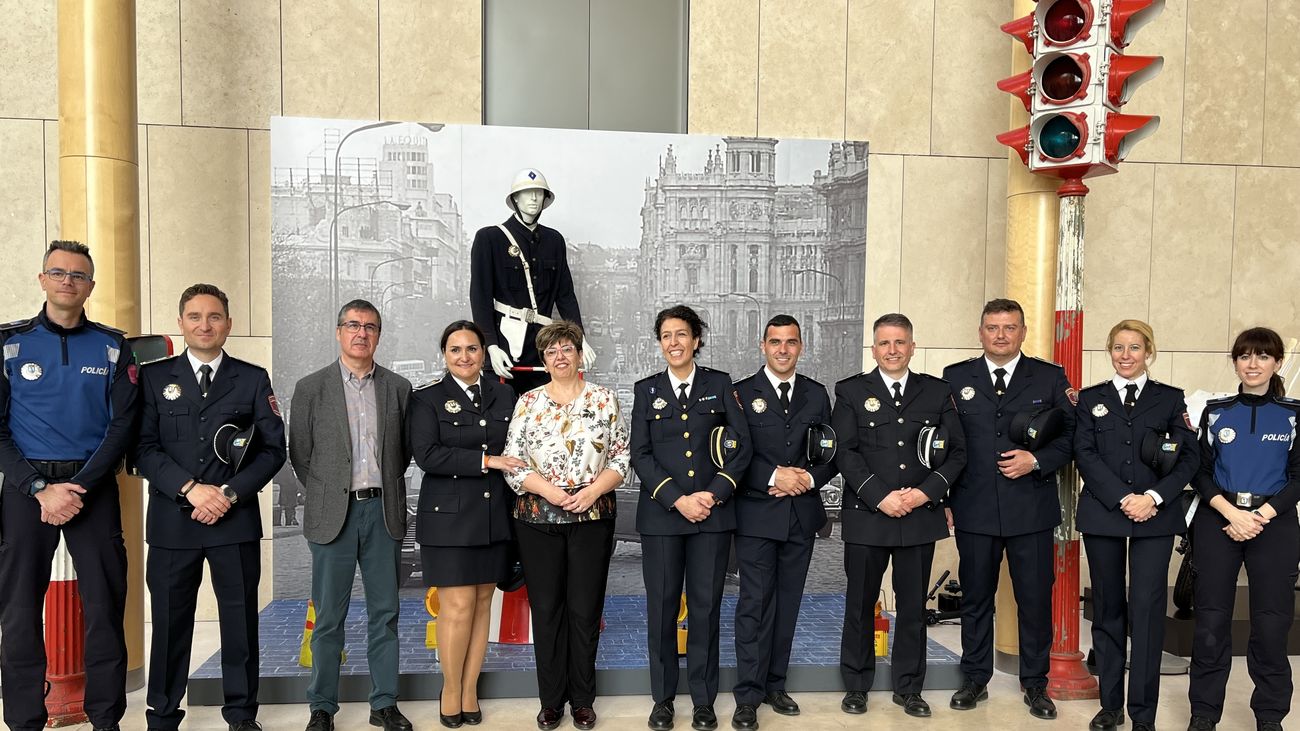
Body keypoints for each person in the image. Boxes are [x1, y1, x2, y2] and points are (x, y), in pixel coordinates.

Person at [134, 283, 287, 731]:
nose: (205, 325)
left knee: (239, 623)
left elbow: (273, 450)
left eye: (215, 316)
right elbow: (142, 448)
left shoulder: (253, 378)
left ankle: (241, 715)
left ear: (229, 324)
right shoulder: (154, 378)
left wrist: (228, 494)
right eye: (196, 316)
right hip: (171, 524)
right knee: (168, 624)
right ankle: (162, 714)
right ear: (180, 322)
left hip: (233, 522)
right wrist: (190, 488)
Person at [0, 240, 138, 731]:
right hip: (25, 489)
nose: (67, 281)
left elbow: (122, 426)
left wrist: (77, 486)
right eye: (57, 272)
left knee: (104, 607)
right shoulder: (8, 343)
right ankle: (23, 720)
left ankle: (105, 718)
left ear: (90, 287)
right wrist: (39, 488)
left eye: (78, 275)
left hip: (92, 485)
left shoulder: (111, 345)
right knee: (18, 612)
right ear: (41, 279)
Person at [942, 298, 1075, 720]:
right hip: (974, 506)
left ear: (1023, 331)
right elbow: (945, 443)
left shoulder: (1050, 377)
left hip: (1030, 508)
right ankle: (974, 678)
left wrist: (1036, 461)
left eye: (1010, 327)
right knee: (976, 598)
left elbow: (1071, 437)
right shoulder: (955, 377)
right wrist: (944, 499)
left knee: (1034, 599)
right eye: (993, 327)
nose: (1001, 335)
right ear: (980, 332)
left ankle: (1036, 685)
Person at [288, 299, 415, 731]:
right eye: (353, 325)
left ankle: (384, 704)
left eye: (370, 327)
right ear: (339, 331)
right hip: (333, 516)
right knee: (328, 618)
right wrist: (332, 493)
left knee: (386, 613)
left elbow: (403, 453)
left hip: (383, 513)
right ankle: (322, 706)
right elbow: (300, 456)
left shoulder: (399, 388)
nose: (361, 333)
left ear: (379, 335)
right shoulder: (311, 388)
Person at [834, 313, 967, 719]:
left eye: (900, 342)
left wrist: (923, 493)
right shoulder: (852, 391)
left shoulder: (937, 392)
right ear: (874, 349)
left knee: (912, 606)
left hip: (917, 515)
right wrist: (880, 497)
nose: (892, 350)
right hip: (868, 515)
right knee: (860, 603)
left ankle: (909, 688)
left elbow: (958, 453)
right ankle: (856, 685)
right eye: (884, 343)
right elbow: (845, 451)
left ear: (912, 346)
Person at [502, 321, 630, 731]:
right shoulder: (528, 403)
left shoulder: (605, 399)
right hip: (539, 519)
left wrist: (591, 493)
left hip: (592, 517)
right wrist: (551, 494)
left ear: (579, 355)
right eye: (552, 351)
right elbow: (514, 465)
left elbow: (621, 459)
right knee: (547, 609)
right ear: (543, 361)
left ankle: (583, 700)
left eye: (567, 348)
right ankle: (551, 701)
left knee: (585, 610)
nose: (560, 356)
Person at [1074, 319, 1199, 731]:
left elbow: (1188, 458)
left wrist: (1154, 498)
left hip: (1155, 517)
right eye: (1117, 348)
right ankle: (1111, 706)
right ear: (1109, 352)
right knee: (1108, 609)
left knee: (1146, 612)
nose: (1125, 356)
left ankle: (1143, 714)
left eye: (1134, 348)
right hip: (1105, 514)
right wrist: (1124, 498)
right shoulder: (1091, 399)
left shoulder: (1169, 399)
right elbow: (1084, 454)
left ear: (1149, 352)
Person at [632, 305, 751, 731]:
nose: (674, 343)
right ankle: (662, 700)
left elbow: (741, 446)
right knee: (661, 610)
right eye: (666, 336)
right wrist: (677, 500)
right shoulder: (645, 390)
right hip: (663, 519)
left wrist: (714, 494)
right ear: (660, 342)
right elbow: (640, 456)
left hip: (712, 518)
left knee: (705, 609)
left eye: (682, 334)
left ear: (696, 339)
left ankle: (703, 701)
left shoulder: (719, 385)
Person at [408, 320, 525, 728]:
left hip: (494, 517)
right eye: (455, 349)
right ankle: (450, 690)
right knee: (456, 607)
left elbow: (519, 444)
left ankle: (470, 688)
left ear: (482, 353)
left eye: (472, 349)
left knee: (480, 606)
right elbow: (427, 455)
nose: (464, 356)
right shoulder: (426, 399)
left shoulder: (504, 393)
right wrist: (487, 461)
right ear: (445, 354)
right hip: (449, 521)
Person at [1187, 327, 1299, 731]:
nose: (1253, 364)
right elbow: (1198, 472)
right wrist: (1231, 513)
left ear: (1277, 362)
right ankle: (1203, 714)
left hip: (1275, 523)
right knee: (1212, 622)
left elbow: (1299, 477)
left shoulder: (1294, 414)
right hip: (1219, 519)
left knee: (1271, 624)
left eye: (1263, 357)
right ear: (1234, 361)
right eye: (1245, 356)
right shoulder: (1215, 412)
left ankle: (1270, 716)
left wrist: (1259, 516)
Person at [729, 314, 837, 730]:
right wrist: (775, 476)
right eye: (775, 342)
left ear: (801, 347)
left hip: (800, 515)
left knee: (789, 604)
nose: (783, 349)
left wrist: (807, 478)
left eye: (791, 342)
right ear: (763, 346)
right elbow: (734, 455)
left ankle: (776, 684)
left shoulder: (815, 393)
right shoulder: (740, 394)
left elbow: (829, 451)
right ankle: (748, 695)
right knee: (754, 606)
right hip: (757, 514)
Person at [469, 168, 593, 396]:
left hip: (544, 346)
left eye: (539, 193)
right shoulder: (490, 238)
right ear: (515, 199)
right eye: (527, 193)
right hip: (506, 345)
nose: (534, 199)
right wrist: (491, 346)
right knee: (503, 415)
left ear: (546, 199)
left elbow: (565, 296)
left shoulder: (554, 241)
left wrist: (579, 339)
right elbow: (480, 297)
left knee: (547, 417)